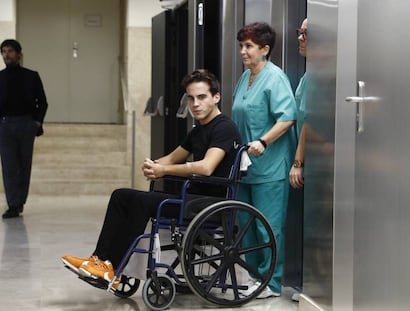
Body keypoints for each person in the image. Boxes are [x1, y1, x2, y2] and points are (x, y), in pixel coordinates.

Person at [61, 69, 241, 290]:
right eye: (191, 98)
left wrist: (164, 170)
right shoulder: (198, 131)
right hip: (190, 197)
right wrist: (154, 165)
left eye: (201, 97)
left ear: (216, 97)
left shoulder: (224, 127)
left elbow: (206, 167)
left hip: (206, 205)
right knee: (121, 195)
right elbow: (172, 158)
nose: (195, 104)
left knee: (142, 202)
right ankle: (100, 260)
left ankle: (113, 268)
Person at [232, 22, 297, 298]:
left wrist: (263, 141)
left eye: (249, 46)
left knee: (267, 225)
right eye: (241, 46)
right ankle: (253, 276)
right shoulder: (244, 78)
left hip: (270, 166)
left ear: (265, 49)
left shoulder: (275, 77)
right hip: (246, 167)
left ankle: (271, 282)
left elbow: (288, 116)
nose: (243, 52)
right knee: (246, 224)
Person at [0, 39, 48, 219]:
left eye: (10, 51)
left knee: (23, 166)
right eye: (4, 51)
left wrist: (37, 122)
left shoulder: (31, 76)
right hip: (5, 125)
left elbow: (42, 102)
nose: (7, 55)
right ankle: (13, 204)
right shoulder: (0, 77)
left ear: (19, 54)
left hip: (26, 124)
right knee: (8, 166)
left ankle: (19, 202)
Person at [289, 18, 308, 190]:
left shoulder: (319, 77)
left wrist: (298, 162)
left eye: (306, 34)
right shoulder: (307, 76)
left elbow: (310, 120)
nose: (300, 38)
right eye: (300, 33)